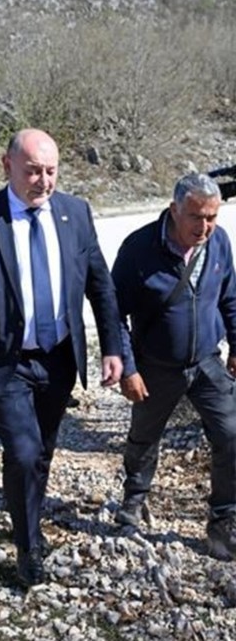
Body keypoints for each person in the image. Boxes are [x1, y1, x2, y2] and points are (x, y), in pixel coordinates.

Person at [0, 129, 123, 587]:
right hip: (6, 362)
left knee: (41, 450)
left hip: (59, 357)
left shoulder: (75, 213)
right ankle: (28, 545)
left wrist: (115, 348)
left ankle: (26, 514)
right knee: (22, 452)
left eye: (50, 171)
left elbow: (100, 285)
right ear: (7, 167)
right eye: (33, 171)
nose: (43, 181)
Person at [110, 173, 236, 560]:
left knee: (231, 434)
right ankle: (134, 499)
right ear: (174, 210)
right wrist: (128, 369)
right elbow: (114, 315)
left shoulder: (219, 243)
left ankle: (222, 522)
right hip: (155, 365)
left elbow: (230, 296)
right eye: (196, 216)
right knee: (144, 436)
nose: (205, 226)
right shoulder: (138, 250)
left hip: (206, 362)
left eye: (212, 217)